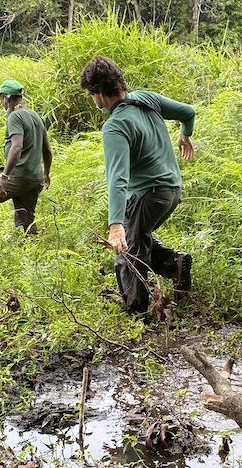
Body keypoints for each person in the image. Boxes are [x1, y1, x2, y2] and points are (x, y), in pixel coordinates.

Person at [79, 55, 195, 315]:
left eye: (91, 95)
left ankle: (137, 315)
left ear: (98, 93)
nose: (93, 100)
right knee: (138, 239)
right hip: (172, 192)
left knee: (128, 253)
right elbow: (188, 112)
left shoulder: (115, 126)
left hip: (148, 195)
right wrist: (185, 133)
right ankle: (174, 263)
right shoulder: (146, 98)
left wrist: (115, 225)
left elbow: (117, 179)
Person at [0, 80, 51, 234]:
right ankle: (31, 250)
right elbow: (48, 151)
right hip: (35, 179)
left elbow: (17, 146)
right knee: (26, 220)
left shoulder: (15, 117)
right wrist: (46, 174)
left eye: (1, 98)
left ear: (6, 98)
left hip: (18, 175)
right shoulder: (37, 117)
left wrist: (4, 176)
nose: (1, 102)